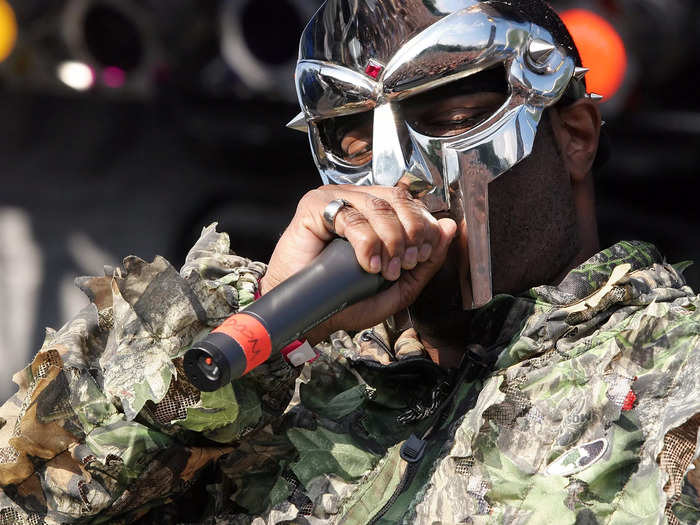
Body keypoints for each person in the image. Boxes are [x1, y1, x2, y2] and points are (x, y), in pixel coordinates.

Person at [0, 0, 698, 524]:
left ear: (574, 137)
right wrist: (256, 322)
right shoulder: (286, 386)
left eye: (447, 110)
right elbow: (20, 497)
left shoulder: (681, 372)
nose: (399, 174)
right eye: (355, 136)